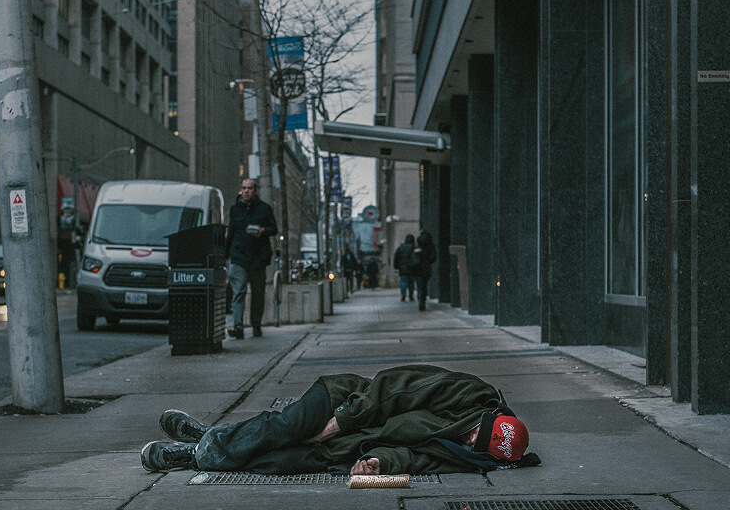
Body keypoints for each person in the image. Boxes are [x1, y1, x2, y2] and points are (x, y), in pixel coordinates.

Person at [140, 365, 540, 475]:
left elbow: (421, 460)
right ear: (490, 416)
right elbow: (394, 387)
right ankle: (195, 453)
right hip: (346, 402)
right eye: (476, 432)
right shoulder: (469, 393)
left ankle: (206, 438)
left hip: (352, 445)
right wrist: (339, 421)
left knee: (280, 461)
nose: (469, 441)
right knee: (286, 428)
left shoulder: (472, 457)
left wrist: (380, 463)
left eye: (477, 446)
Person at [225, 178, 278, 339]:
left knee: (257, 293)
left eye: (249, 188)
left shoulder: (264, 209)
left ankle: (256, 325)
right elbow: (231, 232)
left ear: (255, 190)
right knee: (238, 291)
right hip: (239, 255)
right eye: (244, 188)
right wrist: (226, 256)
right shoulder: (235, 209)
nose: (246, 191)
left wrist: (263, 231)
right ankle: (238, 326)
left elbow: (273, 229)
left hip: (258, 257)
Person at [413, 229, 437, 310]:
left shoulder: (417, 243)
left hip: (417, 267)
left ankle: (420, 296)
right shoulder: (430, 245)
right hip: (426, 267)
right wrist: (428, 261)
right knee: (424, 284)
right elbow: (433, 257)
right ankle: (423, 299)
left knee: (419, 284)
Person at [393, 234, 416, 302]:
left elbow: (396, 258)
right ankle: (411, 295)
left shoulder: (400, 248)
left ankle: (403, 294)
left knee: (403, 282)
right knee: (411, 282)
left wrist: (396, 267)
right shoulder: (413, 248)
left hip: (402, 268)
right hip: (411, 268)